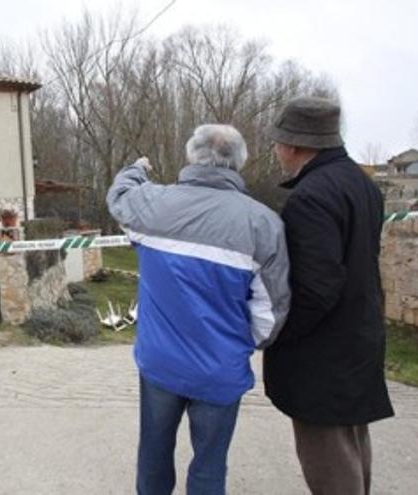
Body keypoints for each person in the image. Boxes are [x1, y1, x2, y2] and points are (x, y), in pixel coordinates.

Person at [107, 124, 291, 495]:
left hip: (160, 363)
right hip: (220, 369)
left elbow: (119, 195)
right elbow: (270, 313)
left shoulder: (152, 204)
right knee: (209, 465)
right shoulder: (263, 223)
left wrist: (138, 168)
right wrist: (241, 343)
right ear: (238, 162)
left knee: (154, 453)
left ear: (192, 155)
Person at [263, 96, 394, 495]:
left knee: (329, 458)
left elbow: (317, 287)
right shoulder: (361, 184)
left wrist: (280, 332)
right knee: (352, 444)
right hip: (358, 338)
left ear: (295, 144)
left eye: (278, 141)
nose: (276, 150)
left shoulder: (311, 197)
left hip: (323, 355)